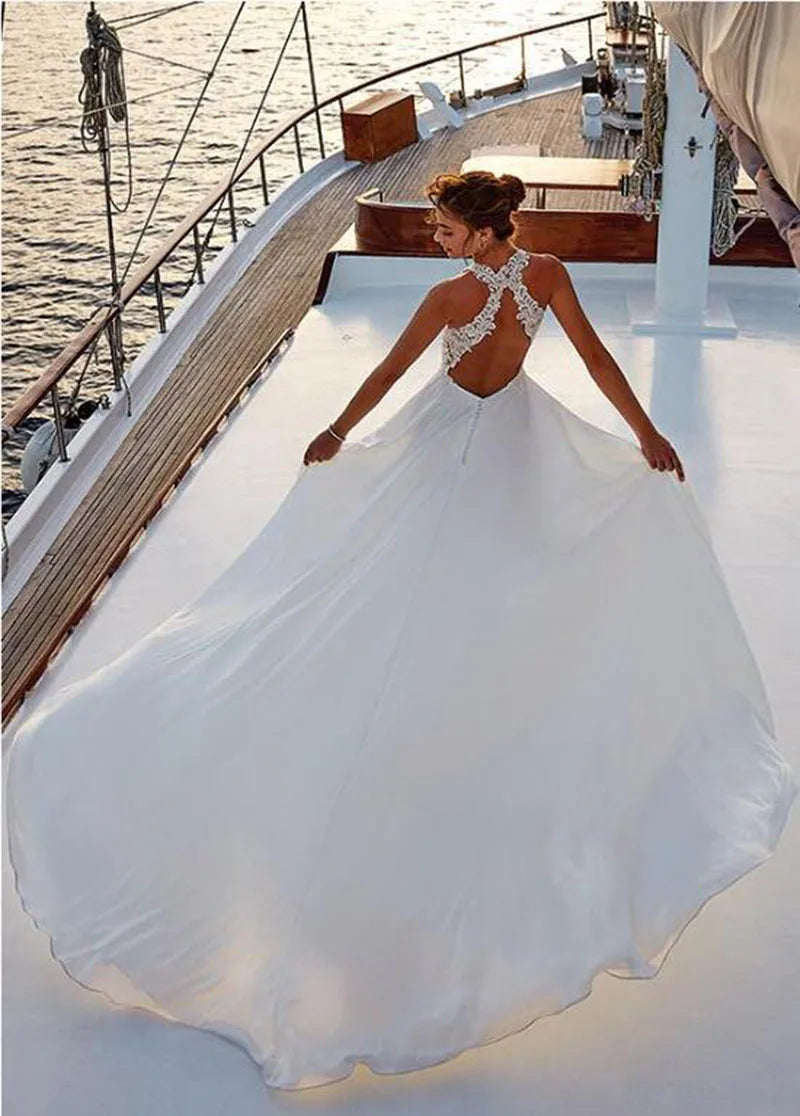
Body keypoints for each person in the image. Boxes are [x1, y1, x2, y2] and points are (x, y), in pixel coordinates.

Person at [6, 171, 797, 1093]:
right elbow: (595, 364)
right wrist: (647, 434)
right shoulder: (547, 275)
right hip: (514, 442)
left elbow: (388, 376)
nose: (434, 238)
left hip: (452, 445)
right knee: (493, 581)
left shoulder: (451, 297)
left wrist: (336, 431)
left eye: (444, 226)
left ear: (482, 230)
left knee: (408, 586)